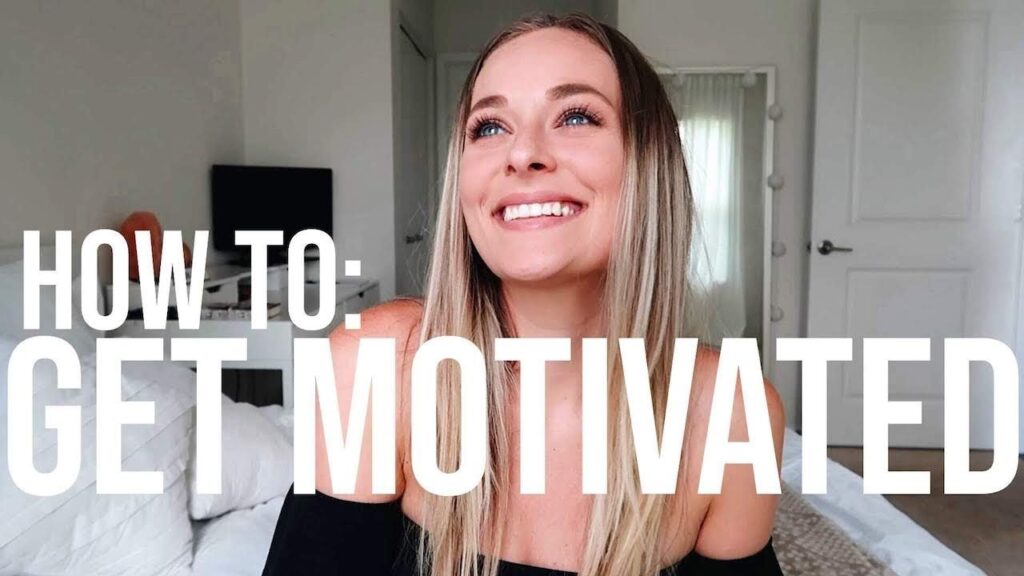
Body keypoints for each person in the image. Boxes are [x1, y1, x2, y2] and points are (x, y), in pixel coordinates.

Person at [263, 12, 785, 576]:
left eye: (577, 116)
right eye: (489, 127)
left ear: (648, 164)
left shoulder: (732, 412)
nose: (521, 152)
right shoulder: (377, 365)